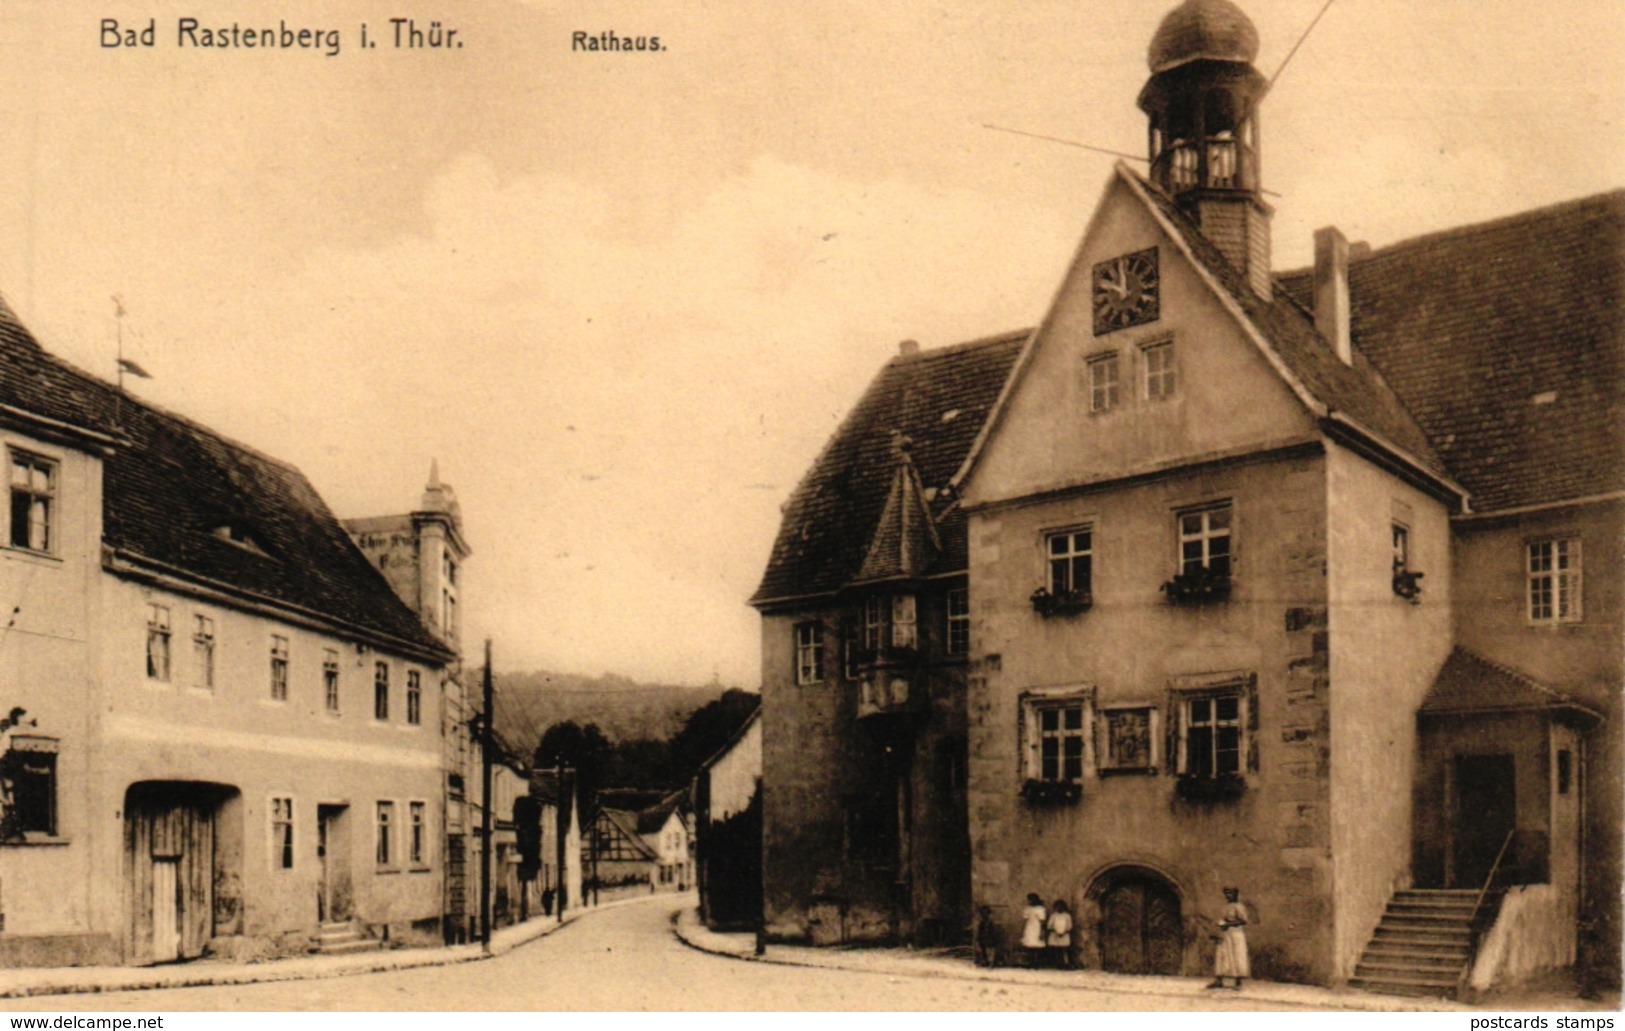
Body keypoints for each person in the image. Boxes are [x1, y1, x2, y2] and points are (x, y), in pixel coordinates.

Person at [1208, 886, 1250, 990]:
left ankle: (1238, 982)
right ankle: (1219, 980)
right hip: (1225, 933)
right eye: (1226, 893)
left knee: (1236, 955)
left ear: (1235, 894)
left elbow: (1243, 921)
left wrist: (1229, 924)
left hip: (1236, 934)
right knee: (1222, 955)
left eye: (1230, 893)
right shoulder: (1226, 906)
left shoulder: (1239, 907)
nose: (1228, 896)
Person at [1020, 892, 1047, 968]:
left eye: (1031, 900)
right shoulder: (1027, 908)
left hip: (1037, 927)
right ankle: (1030, 962)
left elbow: (1042, 921)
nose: (1029, 901)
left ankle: (1037, 963)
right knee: (1029, 945)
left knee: (1037, 946)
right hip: (1029, 927)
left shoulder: (1040, 909)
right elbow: (1025, 919)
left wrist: (1042, 932)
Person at [1046, 899, 1074, 969]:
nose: (1059, 908)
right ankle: (1057, 964)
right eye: (1057, 907)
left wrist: (1064, 932)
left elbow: (1069, 926)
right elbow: (1049, 925)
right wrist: (1055, 931)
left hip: (1064, 935)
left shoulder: (1067, 916)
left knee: (1064, 950)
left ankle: (1065, 964)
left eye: (1060, 906)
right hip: (1055, 935)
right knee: (1056, 950)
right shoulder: (1053, 916)